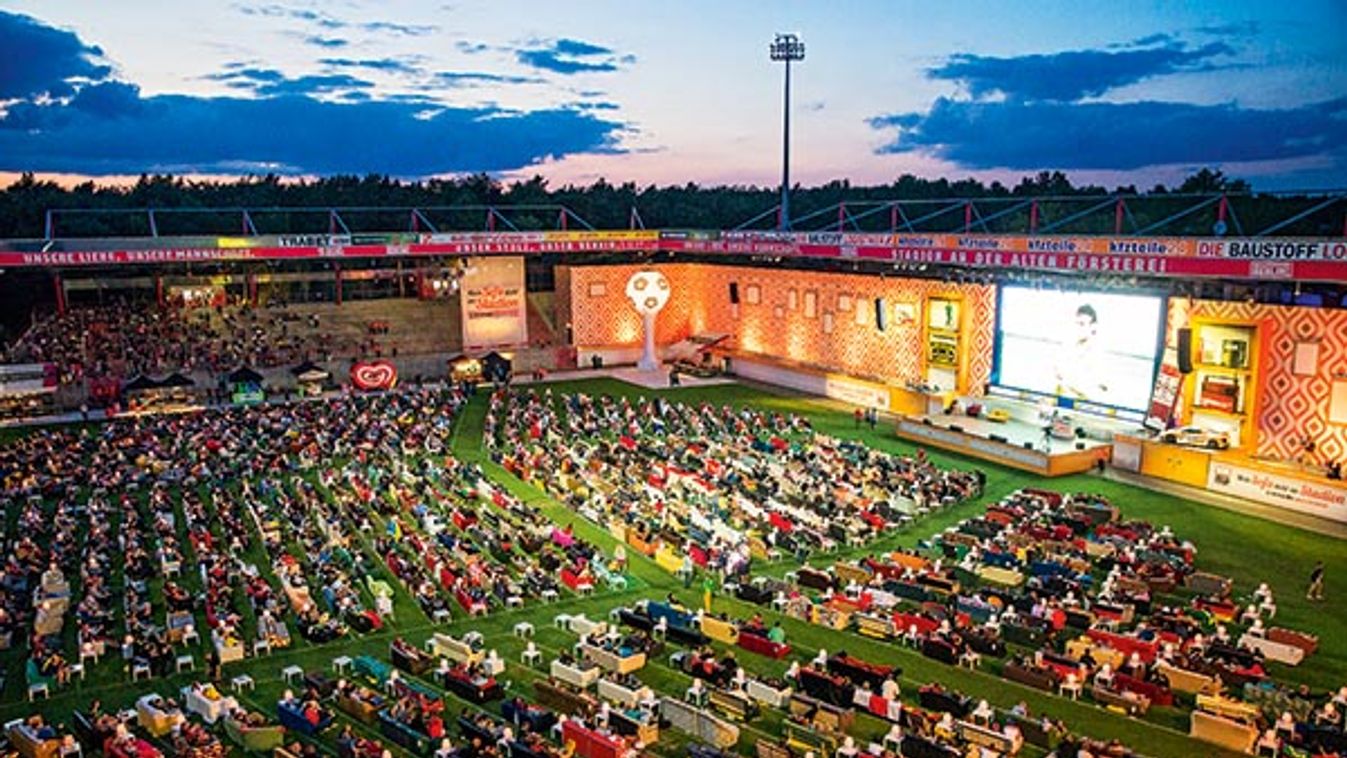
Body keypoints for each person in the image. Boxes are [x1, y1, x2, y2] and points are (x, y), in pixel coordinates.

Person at [1053, 303, 1109, 401]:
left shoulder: (1098, 353)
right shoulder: (1068, 347)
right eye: (1076, 324)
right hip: (1063, 402)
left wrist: (1068, 381)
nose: (1078, 328)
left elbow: (1096, 387)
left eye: (1082, 324)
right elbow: (1057, 372)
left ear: (1093, 327)